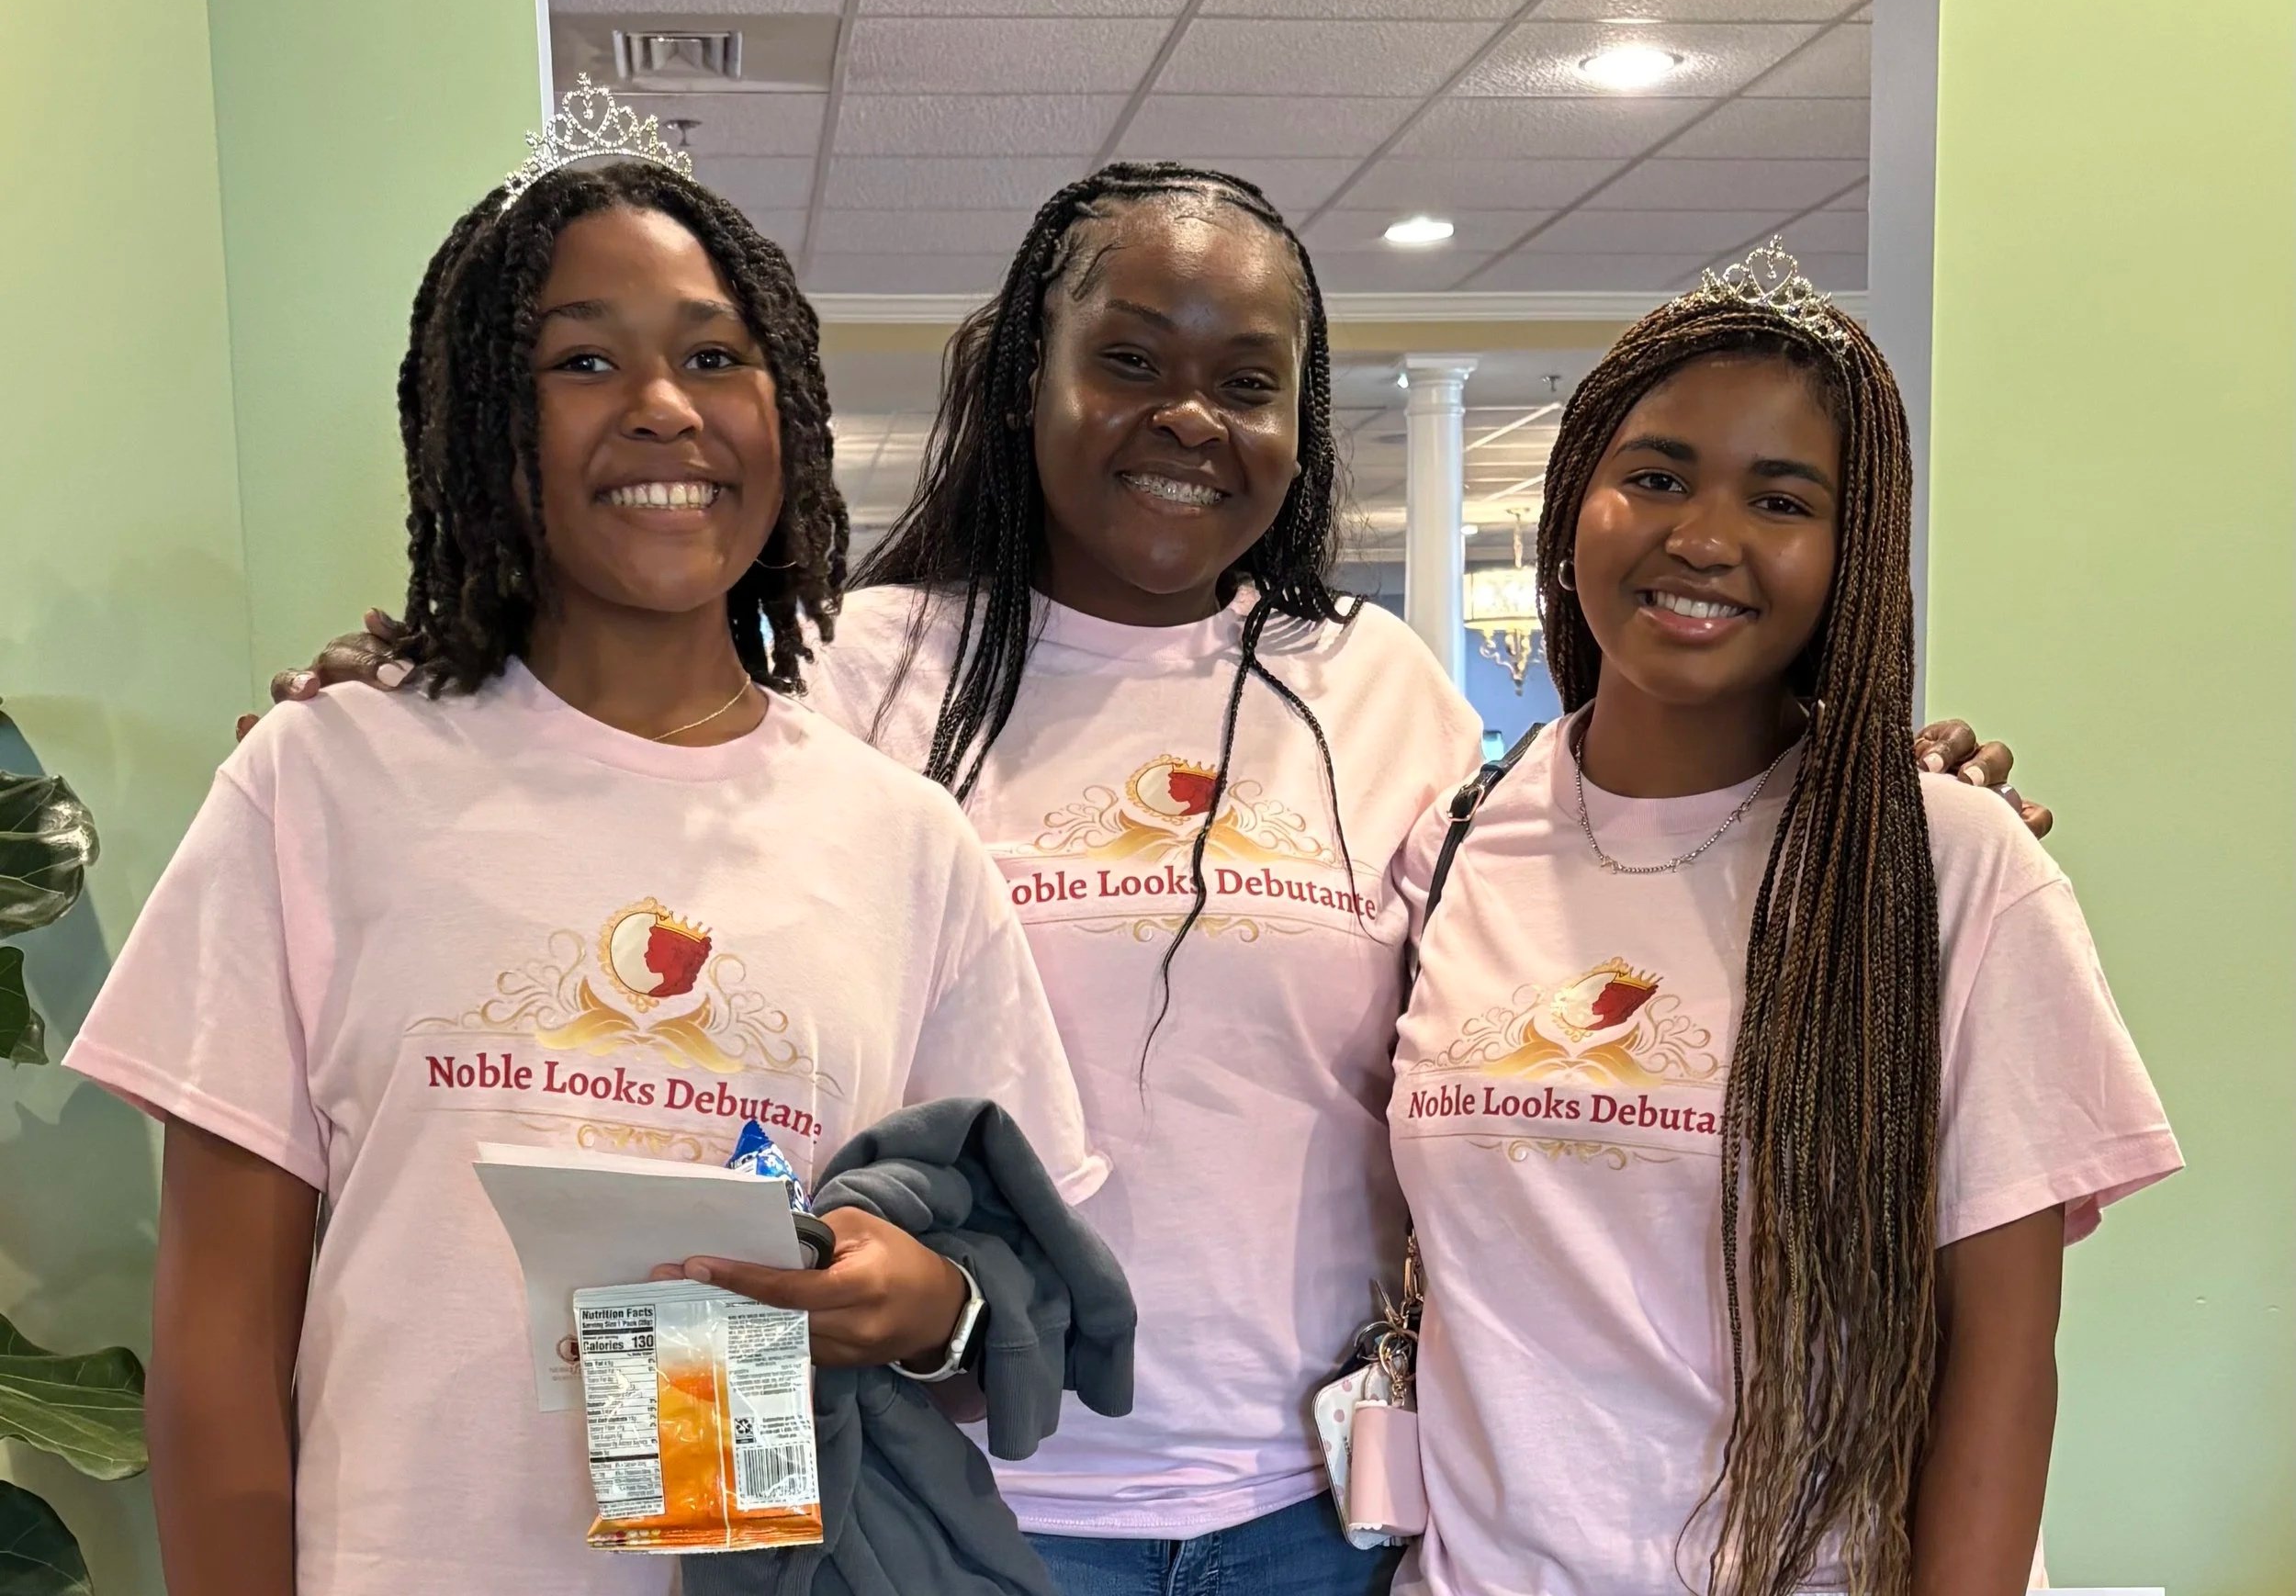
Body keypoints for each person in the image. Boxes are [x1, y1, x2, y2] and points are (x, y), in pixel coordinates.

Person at [264, 168, 2037, 1596]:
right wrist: (424, 701)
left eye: (1248, 381)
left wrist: (1875, 787)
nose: (1186, 416)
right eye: (1127, 360)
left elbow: (1598, 890)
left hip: (1320, 1520)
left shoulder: (1383, 694)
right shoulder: (852, 663)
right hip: (949, 1497)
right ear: (1024, 373)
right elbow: (614, 787)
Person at [66, 98, 1102, 1596]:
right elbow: (219, 1335)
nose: (663, 407)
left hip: (760, 1554)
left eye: (713, 355)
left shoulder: (898, 841)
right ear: (487, 418)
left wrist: (914, 1302)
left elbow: (999, 1312)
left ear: (785, 413)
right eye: (582, 360)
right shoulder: (331, 779)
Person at [1387, 247, 2180, 1596]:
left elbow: (2001, 1362)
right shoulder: (1455, 844)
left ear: (1850, 551)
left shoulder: (1944, 861)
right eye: (1657, 476)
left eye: (1781, 499)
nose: (1703, 537)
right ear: (1573, 503)